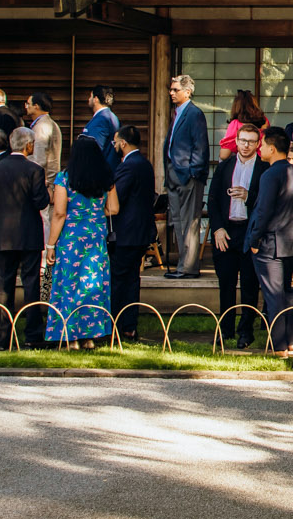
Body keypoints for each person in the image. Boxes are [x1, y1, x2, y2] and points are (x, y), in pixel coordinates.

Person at [0, 127, 52, 348]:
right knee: (31, 284)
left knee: (3, 286)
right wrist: (45, 190)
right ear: (28, 145)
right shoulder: (34, 170)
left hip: (3, 235)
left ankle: (1, 338)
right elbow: (41, 202)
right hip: (29, 235)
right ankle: (33, 335)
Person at [44, 136, 117, 348]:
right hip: (95, 237)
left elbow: (59, 213)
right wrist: (94, 212)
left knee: (69, 285)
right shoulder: (106, 179)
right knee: (91, 284)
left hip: (71, 239)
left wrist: (50, 245)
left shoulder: (64, 178)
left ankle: (70, 336)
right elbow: (113, 209)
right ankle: (90, 336)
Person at [242, 127, 293, 356]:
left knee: (273, 294)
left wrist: (254, 239)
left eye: (262, 145)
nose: (260, 149)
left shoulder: (270, 174)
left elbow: (263, 210)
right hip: (290, 240)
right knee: (287, 293)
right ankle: (292, 342)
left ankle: (279, 346)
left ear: (271, 148)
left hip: (269, 242)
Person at [210, 124, 265, 349]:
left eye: (251, 141)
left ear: (258, 143)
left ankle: (246, 331)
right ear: (236, 141)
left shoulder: (263, 169)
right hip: (226, 230)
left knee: (250, 284)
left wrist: (248, 196)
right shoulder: (225, 167)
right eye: (242, 140)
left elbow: (266, 204)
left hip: (248, 231)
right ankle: (225, 330)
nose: (245, 145)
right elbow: (212, 200)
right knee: (226, 283)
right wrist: (217, 228)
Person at [108, 125, 156, 343]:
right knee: (132, 280)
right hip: (141, 231)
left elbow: (118, 197)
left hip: (126, 232)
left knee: (119, 279)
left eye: (115, 143)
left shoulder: (128, 166)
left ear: (123, 143)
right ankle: (129, 325)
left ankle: (117, 323)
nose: (114, 146)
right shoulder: (144, 164)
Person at [160, 74, 211, 280]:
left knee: (190, 222)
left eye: (175, 90)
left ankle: (188, 268)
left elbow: (200, 145)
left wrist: (193, 171)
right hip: (174, 173)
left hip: (188, 175)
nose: (171, 93)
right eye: (171, 90)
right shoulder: (178, 113)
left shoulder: (194, 113)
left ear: (187, 92)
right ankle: (183, 265)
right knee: (179, 222)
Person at [23, 92, 62, 179]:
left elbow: (39, 159)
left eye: (28, 104)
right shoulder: (49, 123)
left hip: (44, 180)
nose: (26, 107)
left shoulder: (42, 126)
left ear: (36, 106)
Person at [219, 89, 269, 153]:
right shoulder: (264, 120)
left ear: (236, 106)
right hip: (262, 159)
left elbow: (225, 153)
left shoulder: (235, 124)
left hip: (242, 159)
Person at [83, 85, 120, 155]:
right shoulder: (113, 117)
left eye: (91, 96)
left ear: (95, 99)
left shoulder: (100, 120)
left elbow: (95, 150)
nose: (89, 99)